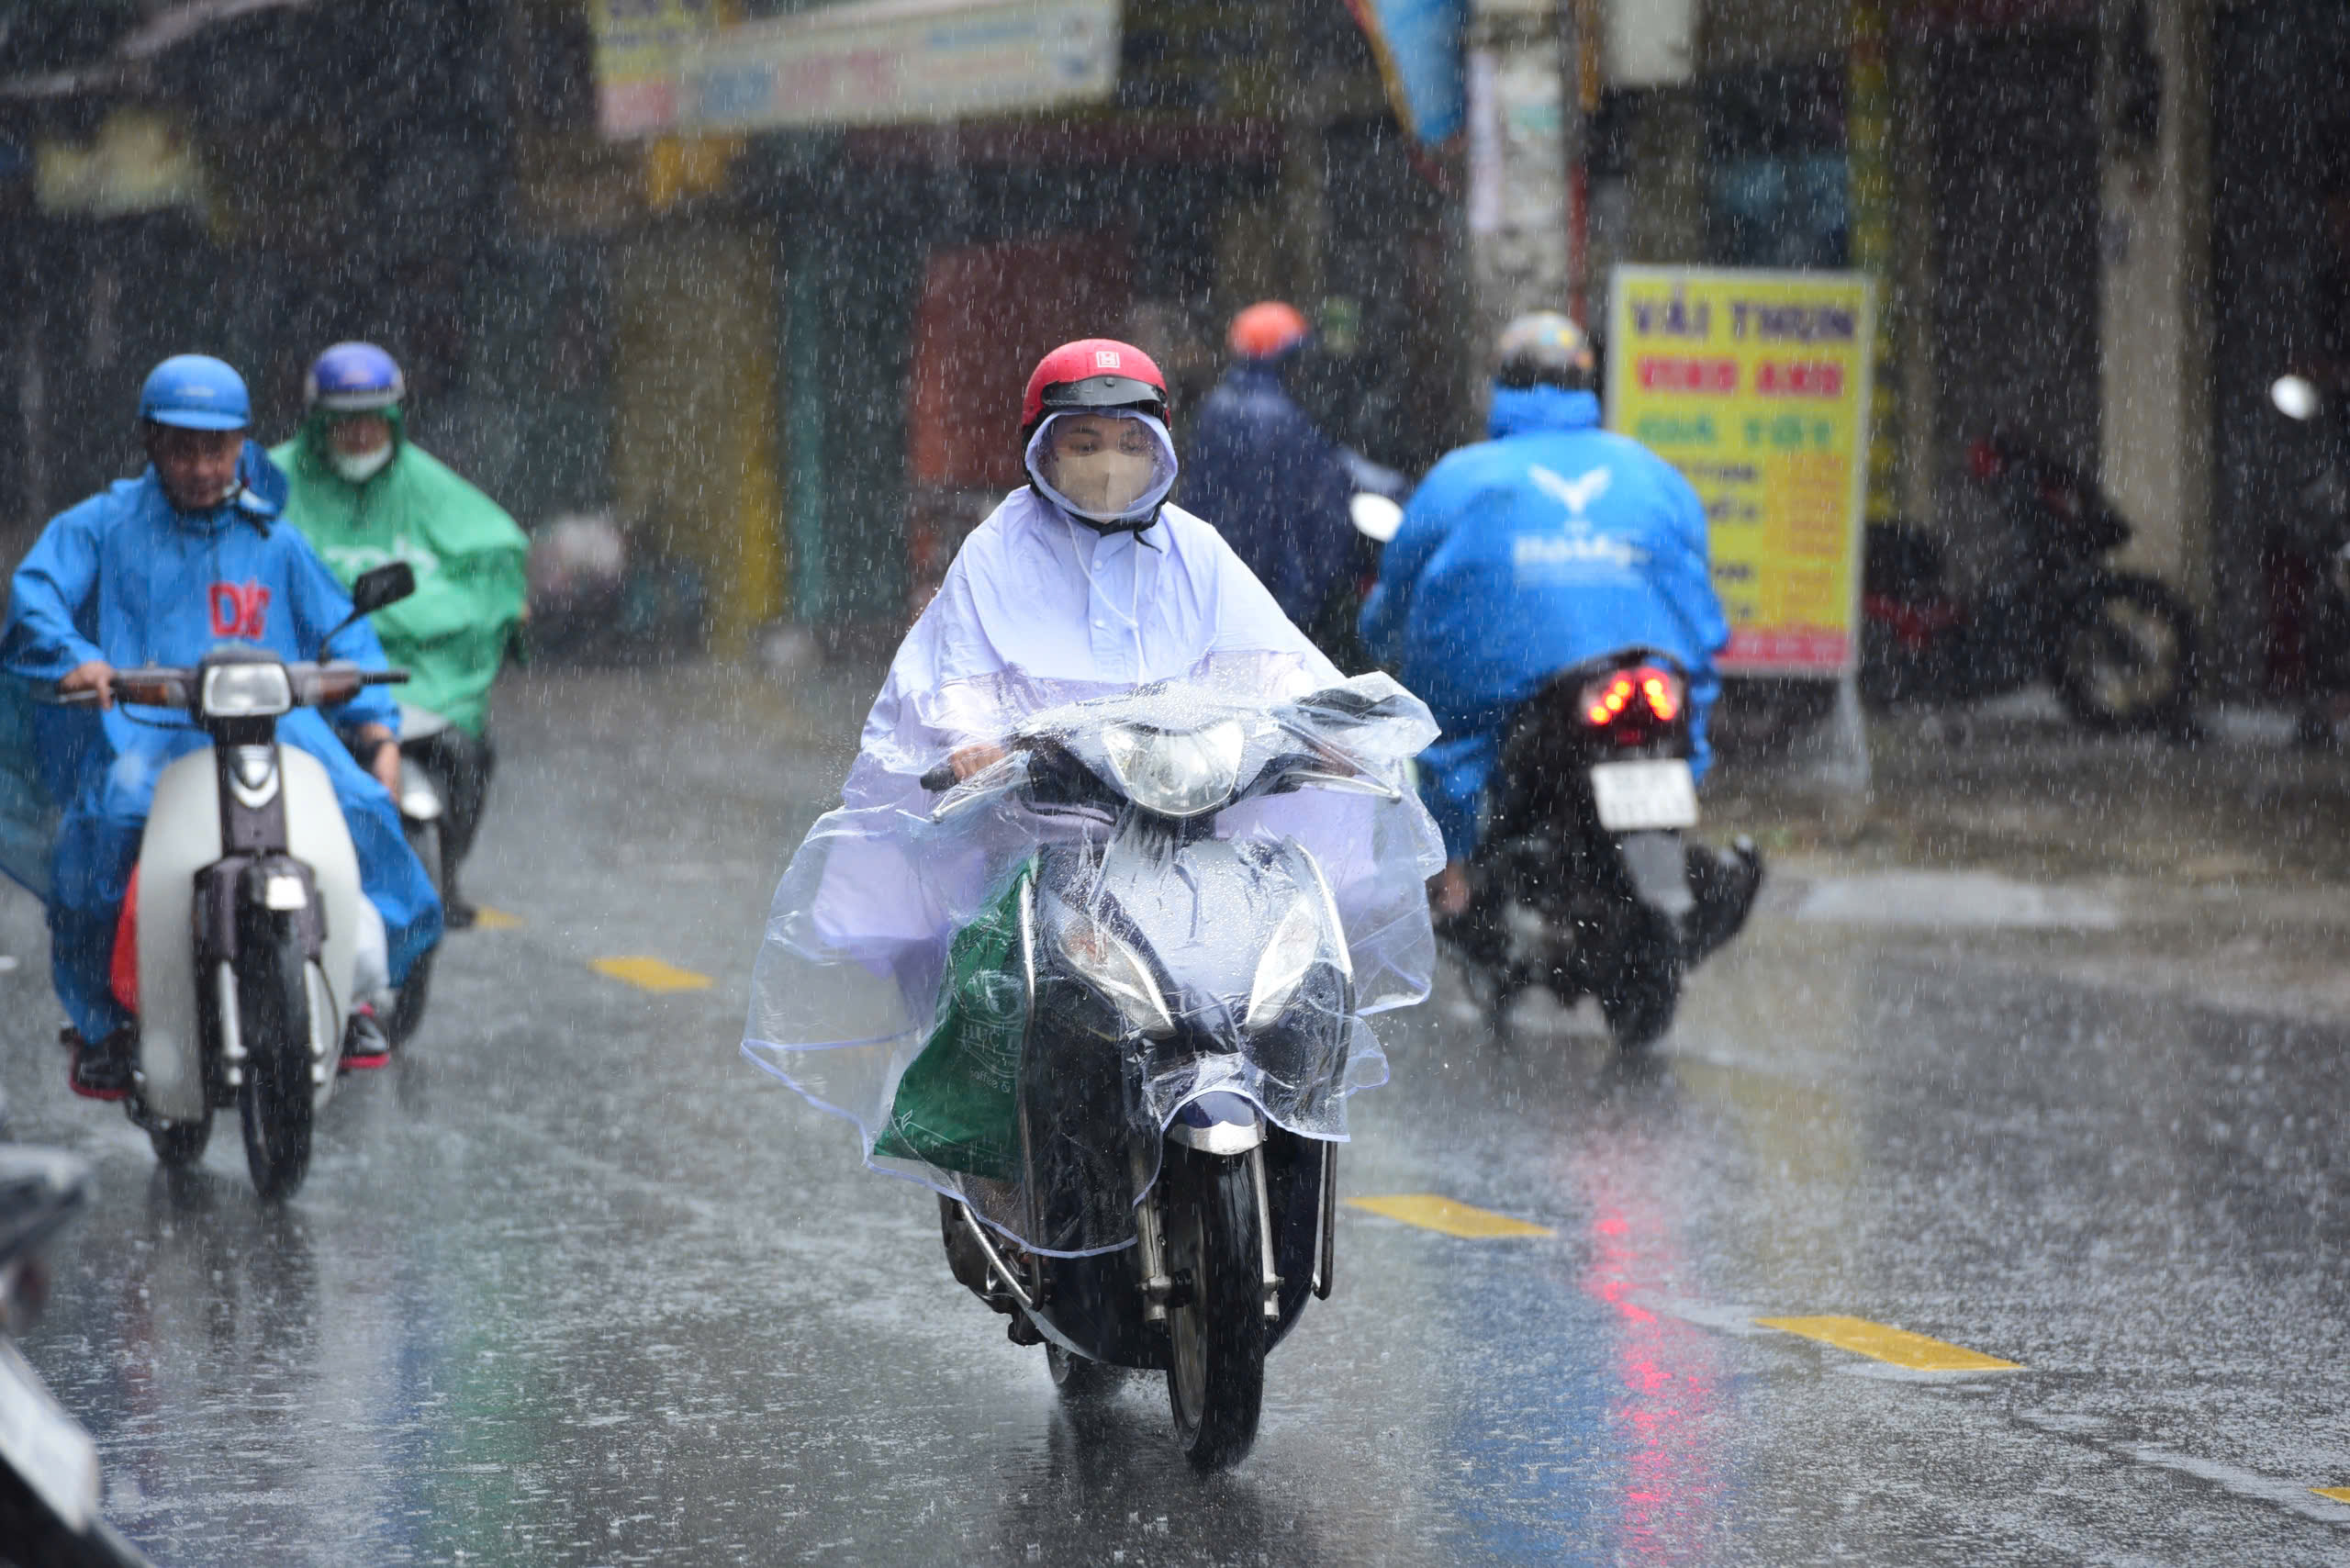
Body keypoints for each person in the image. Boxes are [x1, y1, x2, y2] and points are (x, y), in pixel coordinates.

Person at [743, 339, 1442, 1261]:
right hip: (1044, 835)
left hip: (1196, 833)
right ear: (1040, 450)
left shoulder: (1197, 551)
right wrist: (975, 743)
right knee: (1001, 990)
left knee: (1280, 986)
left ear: (1160, 446)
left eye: (1127, 438)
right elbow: (947, 678)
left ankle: (1278, 1143)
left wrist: (1324, 731)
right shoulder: (995, 553)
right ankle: (998, 1173)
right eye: (1082, 441)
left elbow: (1276, 663)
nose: (1108, 463)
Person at [2, 354, 442, 1096]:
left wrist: (377, 732)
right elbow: (34, 594)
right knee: (105, 826)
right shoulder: (102, 526)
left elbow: (344, 635)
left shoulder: (275, 539)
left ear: (243, 443)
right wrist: (77, 657)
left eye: (218, 447)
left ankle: (362, 994)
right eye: (182, 447)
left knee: (364, 808)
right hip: (149, 730)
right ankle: (108, 1025)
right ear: (149, 442)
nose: (202, 466)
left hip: (275, 728)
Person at [1359, 311, 1729, 917]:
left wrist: (1377, 637)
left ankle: (1450, 880)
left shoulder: (1460, 477)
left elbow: (1399, 593)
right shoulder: (1653, 473)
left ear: (1503, 384)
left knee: (1444, 743)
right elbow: (1699, 598)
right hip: (1656, 677)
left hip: (1511, 687)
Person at [274, 342, 527, 928]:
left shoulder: (426, 486)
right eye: (345, 421)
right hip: (302, 676)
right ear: (318, 422)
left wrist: (507, 601)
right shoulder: (272, 481)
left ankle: (445, 871)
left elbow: (494, 554)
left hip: (414, 682)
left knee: (465, 752)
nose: (360, 434)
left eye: (373, 420)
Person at [1181, 301, 1360, 633]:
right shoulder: (1284, 418)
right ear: (1287, 359)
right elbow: (1320, 507)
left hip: (1219, 579)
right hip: (1279, 589)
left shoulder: (1215, 407)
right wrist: (1322, 581)